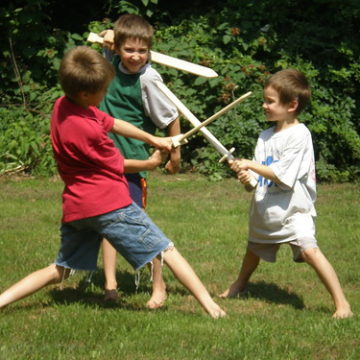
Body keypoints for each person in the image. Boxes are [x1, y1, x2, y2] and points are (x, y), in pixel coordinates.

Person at [0, 46, 226, 319]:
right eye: (102, 91)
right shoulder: (88, 130)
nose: (105, 94)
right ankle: (212, 308)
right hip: (109, 204)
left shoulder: (65, 105)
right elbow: (118, 164)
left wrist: (153, 139)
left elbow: (113, 122)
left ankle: (2, 301)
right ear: (86, 93)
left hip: (78, 207)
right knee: (165, 248)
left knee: (61, 269)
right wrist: (151, 163)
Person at [219, 69, 353, 319]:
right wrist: (246, 177)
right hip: (265, 209)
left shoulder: (300, 135)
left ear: (292, 105)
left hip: (294, 210)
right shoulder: (265, 137)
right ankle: (239, 284)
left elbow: (283, 176)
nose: (264, 105)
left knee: (310, 251)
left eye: (270, 101)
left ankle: (342, 304)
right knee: (253, 250)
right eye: (265, 99)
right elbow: (256, 182)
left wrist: (249, 164)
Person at [98, 14, 181, 308]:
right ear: (118, 49)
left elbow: (170, 117)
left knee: (136, 226)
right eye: (129, 50)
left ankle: (159, 286)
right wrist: (108, 32)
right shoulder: (108, 63)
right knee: (108, 223)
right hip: (104, 158)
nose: (136, 57)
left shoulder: (147, 78)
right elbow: (104, 37)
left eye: (142, 51)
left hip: (132, 162)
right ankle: (110, 286)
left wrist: (176, 153)